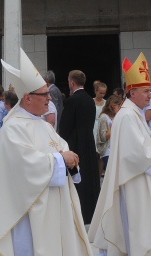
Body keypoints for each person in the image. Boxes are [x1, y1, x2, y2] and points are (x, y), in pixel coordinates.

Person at [0, 48, 92, 256]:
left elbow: (60, 146)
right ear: (27, 98)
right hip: (29, 210)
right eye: (44, 94)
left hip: (54, 203)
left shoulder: (43, 124)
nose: (50, 98)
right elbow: (24, 165)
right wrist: (61, 159)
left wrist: (70, 159)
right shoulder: (13, 127)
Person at [89, 53, 151, 255]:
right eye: (146, 91)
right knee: (134, 232)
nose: (150, 96)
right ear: (132, 92)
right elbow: (133, 156)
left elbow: (140, 146)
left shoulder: (133, 113)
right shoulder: (127, 115)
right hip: (133, 184)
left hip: (139, 180)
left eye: (150, 92)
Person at [58, 69, 101, 224]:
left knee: (78, 181)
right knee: (89, 177)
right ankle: (92, 212)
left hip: (75, 144)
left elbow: (65, 126)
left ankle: (79, 212)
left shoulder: (73, 100)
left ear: (72, 82)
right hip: (88, 143)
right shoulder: (90, 99)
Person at [95, 95, 121, 171]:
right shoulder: (104, 117)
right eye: (118, 106)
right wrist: (114, 127)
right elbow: (103, 137)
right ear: (113, 106)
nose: (120, 108)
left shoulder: (115, 117)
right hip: (107, 151)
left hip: (115, 150)